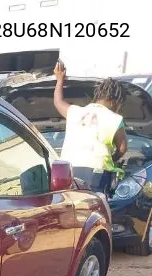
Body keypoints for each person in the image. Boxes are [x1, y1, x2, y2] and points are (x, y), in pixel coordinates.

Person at [53, 61, 127, 193]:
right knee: (94, 209)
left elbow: (58, 102)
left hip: (68, 171)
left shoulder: (75, 111)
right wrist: (113, 159)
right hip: (97, 174)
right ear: (115, 101)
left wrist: (59, 80)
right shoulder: (115, 119)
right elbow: (122, 148)